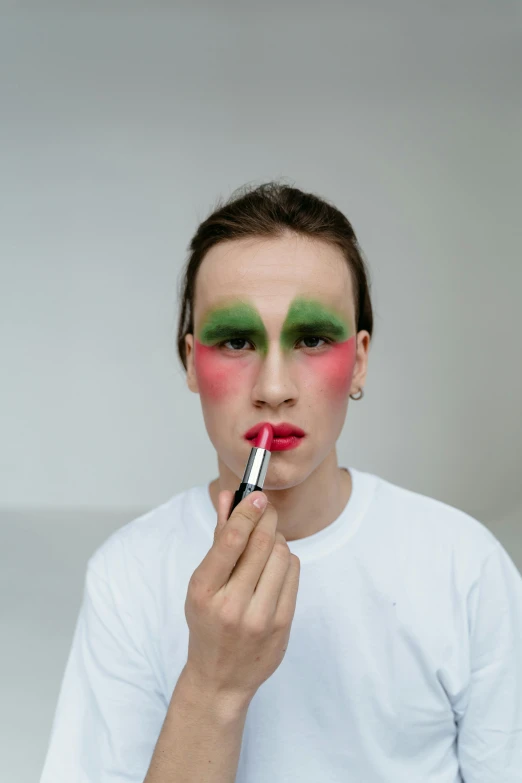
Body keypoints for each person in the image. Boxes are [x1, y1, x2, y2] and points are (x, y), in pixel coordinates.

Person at [40, 182, 522, 783]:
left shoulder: (465, 566)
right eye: (236, 340)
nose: (274, 387)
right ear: (192, 361)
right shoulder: (128, 576)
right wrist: (214, 684)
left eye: (313, 339)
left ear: (360, 360)